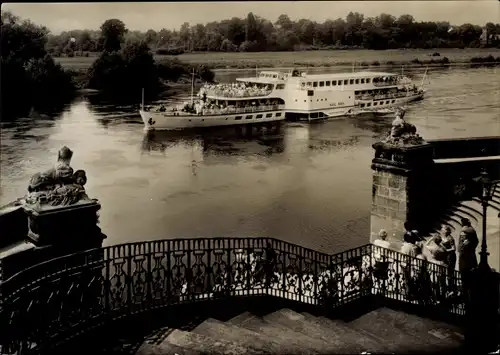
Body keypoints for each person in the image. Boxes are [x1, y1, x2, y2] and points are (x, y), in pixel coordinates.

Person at [458, 218, 479, 293]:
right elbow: (476, 241)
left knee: (464, 272)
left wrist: (462, 248)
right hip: (471, 254)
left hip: (464, 256)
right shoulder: (472, 230)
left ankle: (466, 289)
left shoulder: (464, 231)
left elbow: (461, 245)